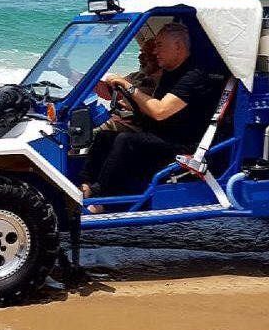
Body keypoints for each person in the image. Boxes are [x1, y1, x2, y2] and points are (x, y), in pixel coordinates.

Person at [80, 22, 215, 212]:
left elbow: (160, 111)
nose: (155, 51)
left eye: (159, 45)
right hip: (162, 134)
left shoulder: (194, 76)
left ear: (178, 46)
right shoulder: (170, 72)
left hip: (184, 144)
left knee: (126, 140)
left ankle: (103, 200)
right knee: (104, 137)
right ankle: (85, 188)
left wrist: (128, 86)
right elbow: (154, 106)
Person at [93, 37, 160, 134]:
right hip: (120, 118)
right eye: (141, 53)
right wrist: (77, 78)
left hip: (139, 127)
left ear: (158, 57)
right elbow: (108, 92)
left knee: (93, 135)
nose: (140, 58)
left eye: (146, 55)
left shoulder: (166, 83)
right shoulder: (137, 76)